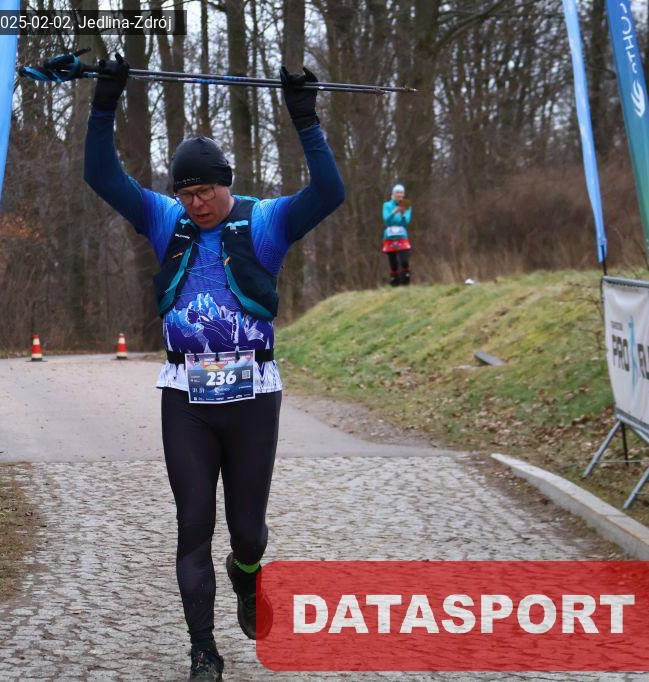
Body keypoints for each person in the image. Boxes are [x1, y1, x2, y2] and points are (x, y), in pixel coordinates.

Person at [83, 53, 344, 681]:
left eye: (206, 191)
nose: (197, 203)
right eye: (187, 193)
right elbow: (101, 174)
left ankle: (247, 576)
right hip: (186, 397)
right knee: (193, 523)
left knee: (247, 531)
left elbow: (329, 193)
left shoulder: (266, 220)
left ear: (228, 183)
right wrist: (105, 101)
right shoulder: (165, 220)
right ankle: (203, 649)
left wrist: (305, 118)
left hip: (252, 394)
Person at [381, 183, 412, 285]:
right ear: (393, 194)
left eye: (401, 193)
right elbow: (386, 220)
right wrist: (394, 212)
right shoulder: (387, 205)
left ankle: (406, 280)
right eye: (397, 192)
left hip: (402, 236)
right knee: (393, 262)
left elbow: (406, 222)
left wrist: (402, 214)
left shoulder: (406, 204)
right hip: (389, 236)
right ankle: (394, 281)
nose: (399, 195)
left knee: (404, 261)